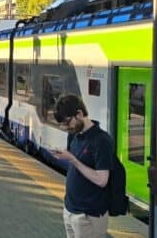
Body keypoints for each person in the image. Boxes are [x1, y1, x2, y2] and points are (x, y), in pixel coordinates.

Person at [52, 94, 113, 238]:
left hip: (88, 215)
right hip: (70, 209)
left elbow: (102, 180)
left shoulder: (101, 140)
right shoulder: (74, 134)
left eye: (68, 123)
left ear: (79, 114)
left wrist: (73, 159)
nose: (67, 128)